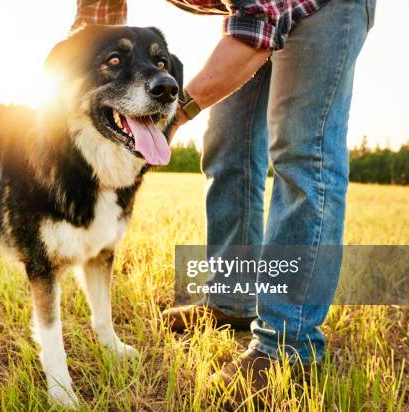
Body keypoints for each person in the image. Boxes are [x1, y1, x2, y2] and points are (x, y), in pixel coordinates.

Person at [73, 0, 375, 401]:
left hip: (322, 8)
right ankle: (232, 300)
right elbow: (95, 30)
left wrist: (173, 114)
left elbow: (255, 32)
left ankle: (289, 345)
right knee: (227, 145)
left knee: (303, 152)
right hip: (255, 16)